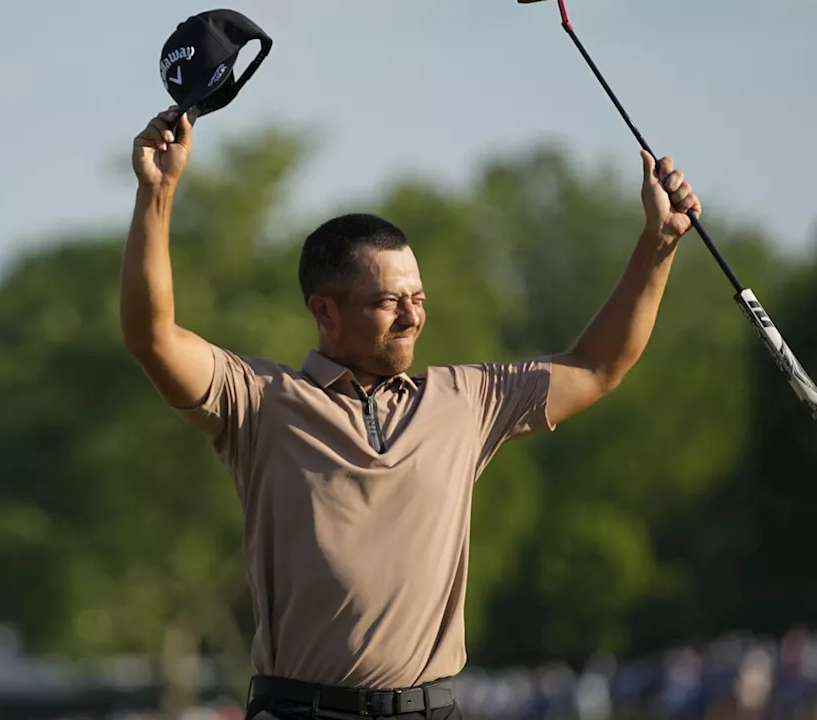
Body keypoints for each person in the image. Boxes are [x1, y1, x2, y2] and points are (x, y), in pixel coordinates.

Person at [119, 107, 702, 720]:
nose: (412, 316)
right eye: (388, 301)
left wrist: (658, 244)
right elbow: (152, 335)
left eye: (417, 298)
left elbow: (597, 365)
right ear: (325, 312)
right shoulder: (260, 400)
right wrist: (157, 192)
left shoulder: (466, 400)